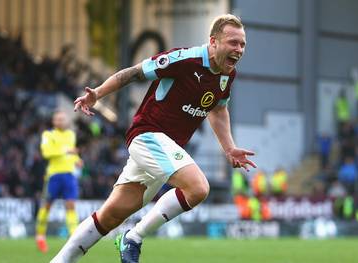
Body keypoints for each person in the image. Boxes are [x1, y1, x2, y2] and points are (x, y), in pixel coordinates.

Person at [51, 14, 256, 263]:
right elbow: (135, 72)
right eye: (233, 43)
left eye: (242, 44)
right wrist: (98, 93)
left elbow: (218, 108)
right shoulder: (184, 59)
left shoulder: (226, 75)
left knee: (109, 216)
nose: (239, 50)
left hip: (165, 151)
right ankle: (133, 237)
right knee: (198, 187)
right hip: (147, 135)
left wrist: (229, 147)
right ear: (213, 42)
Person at [35, 111, 83, 253]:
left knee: (70, 205)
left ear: (67, 121)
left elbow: (72, 154)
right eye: (57, 119)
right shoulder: (48, 135)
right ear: (53, 121)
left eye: (62, 119)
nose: (60, 121)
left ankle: (74, 237)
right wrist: (66, 150)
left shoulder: (71, 135)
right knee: (47, 206)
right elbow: (46, 153)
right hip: (54, 176)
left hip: (69, 175)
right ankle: (40, 236)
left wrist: (77, 160)